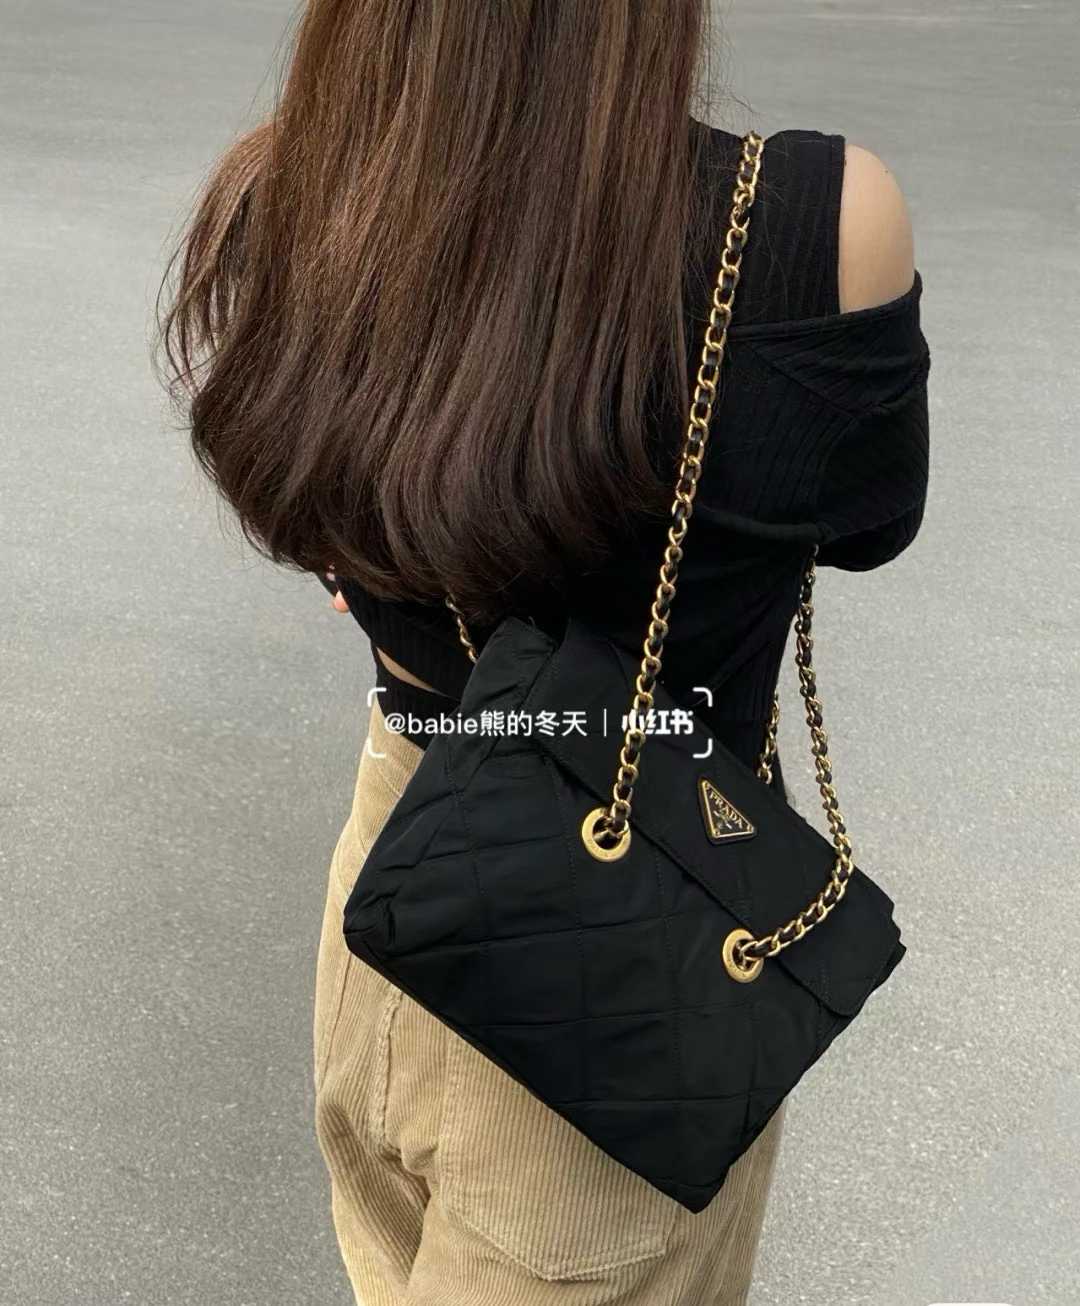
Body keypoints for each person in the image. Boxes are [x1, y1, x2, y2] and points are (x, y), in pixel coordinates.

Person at [160, 4, 930, 1302]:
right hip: (641, 933)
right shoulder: (812, 220)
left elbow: (312, 492)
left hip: (398, 868)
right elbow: (868, 521)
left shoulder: (299, 184)